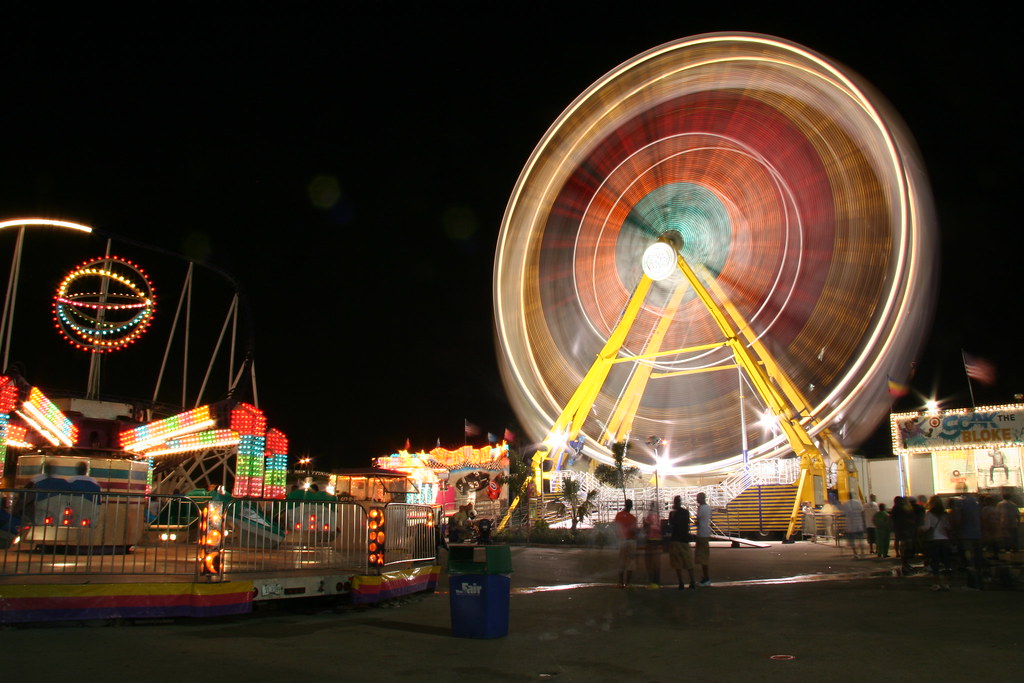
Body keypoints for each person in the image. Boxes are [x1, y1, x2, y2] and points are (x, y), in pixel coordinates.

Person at [921, 495, 952, 591]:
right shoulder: (945, 514)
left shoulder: (929, 514)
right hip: (945, 539)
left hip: (934, 539)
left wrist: (920, 529)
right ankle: (946, 584)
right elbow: (948, 527)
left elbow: (926, 527)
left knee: (935, 563)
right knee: (946, 563)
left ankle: (937, 584)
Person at [668, 495, 696, 589]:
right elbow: (686, 524)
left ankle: (681, 582)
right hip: (684, 539)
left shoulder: (672, 514)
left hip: (675, 539)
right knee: (688, 562)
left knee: (677, 563)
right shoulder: (686, 512)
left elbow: (671, 524)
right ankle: (692, 581)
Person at [614, 499, 638, 587]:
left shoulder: (618, 515)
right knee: (630, 562)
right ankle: (628, 583)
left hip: (622, 541)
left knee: (621, 561)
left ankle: (620, 582)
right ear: (631, 506)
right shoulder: (632, 518)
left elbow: (616, 528)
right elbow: (634, 531)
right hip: (631, 541)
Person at [642, 502, 662, 588]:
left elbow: (646, 528)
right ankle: (656, 580)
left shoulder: (650, 517)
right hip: (657, 539)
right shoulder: (658, 517)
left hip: (650, 539)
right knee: (656, 561)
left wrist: (644, 523)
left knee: (650, 562)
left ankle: (652, 581)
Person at [695, 492, 712, 586]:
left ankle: (706, 578)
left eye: (698, 498)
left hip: (701, 534)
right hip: (706, 532)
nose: (697, 500)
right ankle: (705, 577)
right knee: (704, 557)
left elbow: (697, 520)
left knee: (703, 558)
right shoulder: (708, 508)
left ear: (701, 498)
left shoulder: (701, 508)